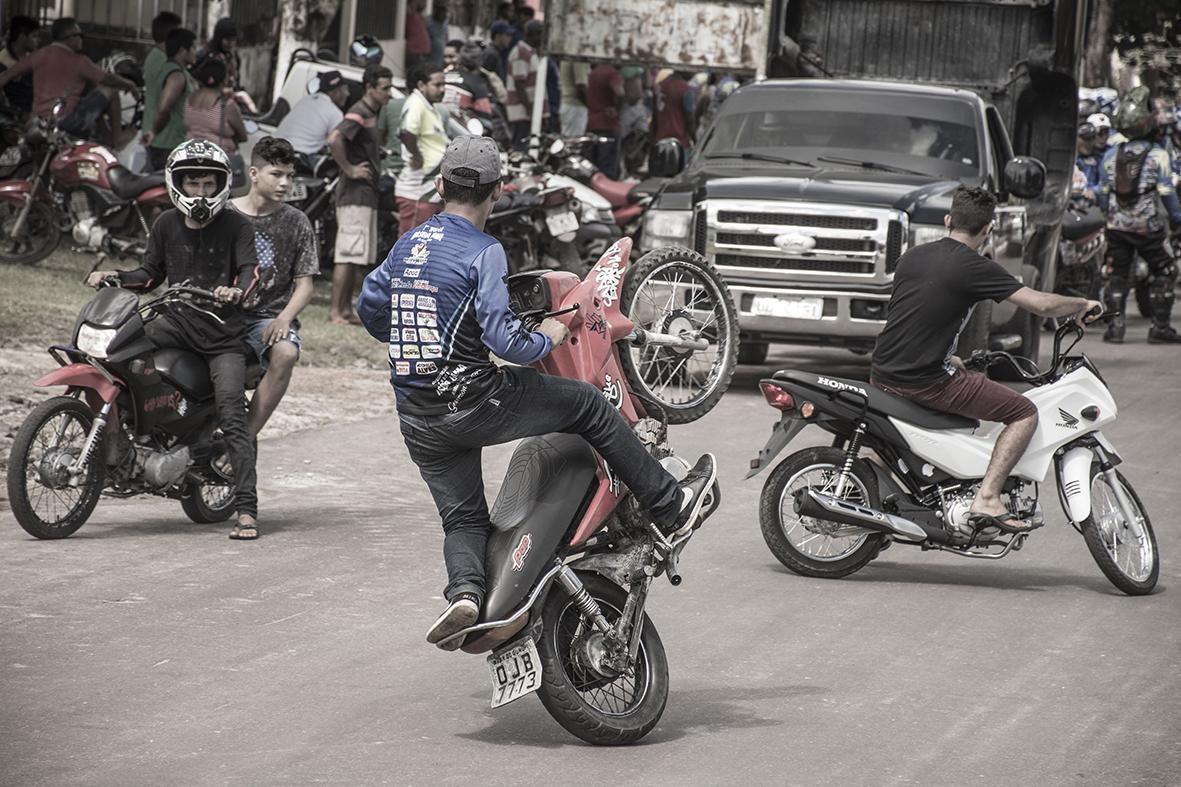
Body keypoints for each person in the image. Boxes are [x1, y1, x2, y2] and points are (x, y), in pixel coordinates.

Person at [355, 136, 718, 646]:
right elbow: (509, 343)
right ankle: (668, 504)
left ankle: (464, 592)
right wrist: (545, 334)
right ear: (498, 191)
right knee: (587, 405)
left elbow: (370, 310)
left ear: (439, 186)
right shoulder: (484, 250)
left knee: (462, 516)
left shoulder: (408, 242)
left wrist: (418, 336)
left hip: (417, 417)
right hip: (474, 401)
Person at [870, 187, 1101, 533]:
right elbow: (1041, 305)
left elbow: (918, 316)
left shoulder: (913, 256)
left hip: (884, 372)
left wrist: (950, 358)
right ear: (988, 229)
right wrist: (1082, 304)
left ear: (948, 220)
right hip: (925, 382)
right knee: (1023, 412)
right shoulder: (974, 266)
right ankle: (988, 497)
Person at [86, 139, 261, 539]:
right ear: (177, 183)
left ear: (221, 187)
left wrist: (235, 292)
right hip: (175, 323)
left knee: (233, 414)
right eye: (193, 183)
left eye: (209, 184)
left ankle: (247, 509)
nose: (201, 192)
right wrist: (114, 275)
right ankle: (133, 437)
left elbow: (251, 275)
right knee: (115, 351)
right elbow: (150, 274)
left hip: (221, 338)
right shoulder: (166, 223)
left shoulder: (237, 225)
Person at [230, 137, 319, 438]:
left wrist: (284, 318)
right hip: (222, 314)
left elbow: (305, 286)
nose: (284, 183)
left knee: (286, 353)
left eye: (289, 176)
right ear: (254, 174)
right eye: (276, 174)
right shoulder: (225, 214)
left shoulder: (296, 222)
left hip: (267, 319)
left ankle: (246, 437)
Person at [1098, 86, 1181, 344]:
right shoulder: (1158, 156)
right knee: (1166, 271)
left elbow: (1102, 194)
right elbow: (1167, 193)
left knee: (1118, 275)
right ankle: (1159, 327)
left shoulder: (1111, 155)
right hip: (1148, 229)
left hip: (1116, 227)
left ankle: (1115, 328)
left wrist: (1112, 216)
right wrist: (1177, 219)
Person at [0, 17, 139, 146]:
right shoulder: (79, 61)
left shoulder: (38, 55)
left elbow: (6, 75)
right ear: (69, 37)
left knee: (93, 97)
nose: (82, 40)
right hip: (66, 122)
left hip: (38, 123)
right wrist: (129, 84)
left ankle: (108, 138)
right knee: (110, 91)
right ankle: (118, 138)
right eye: (80, 36)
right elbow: (109, 79)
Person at [327, 63, 393, 325]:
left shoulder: (371, 113)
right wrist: (350, 169)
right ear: (370, 88)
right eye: (385, 88)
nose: (389, 93)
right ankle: (335, 311)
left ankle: (344, 310)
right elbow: (334, 139)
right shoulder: (359, 111)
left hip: (366, 194)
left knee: (355, 255)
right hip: (354, 194)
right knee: (347, 254)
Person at [395, 63, 448, 237]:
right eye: (437, 85)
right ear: (421, 85)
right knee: (411, 248)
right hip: (417, 191)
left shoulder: (429, 106)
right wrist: (416, 155)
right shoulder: (416, 103)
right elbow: (406, 131)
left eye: (443, 84)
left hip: (428, 191)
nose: (442, 89)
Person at [145, 27, 197, 171]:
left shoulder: (170, 69)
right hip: (169, 146)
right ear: (182, 50)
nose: (195, 51)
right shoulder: (176, 75)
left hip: (167, 144)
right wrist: (154, 132)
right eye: (193, 47)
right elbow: (164, 108)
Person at [184, 58, 247, 167]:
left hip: (191, 157)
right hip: (217, 162)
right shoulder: (226, 105)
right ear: (224, 79)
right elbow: (243, 136)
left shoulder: (189, 100)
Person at [275, 69, 348, 157]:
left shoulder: (304, 100)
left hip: (274, 149)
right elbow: (335, 143)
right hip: (295, 157)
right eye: (345, 90)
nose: (348, 94)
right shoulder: (335, 113)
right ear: (335, 92)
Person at [141, 12, 182, 164]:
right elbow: (165, 106)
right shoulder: (164, 62)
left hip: (161, 136)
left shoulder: (156, 57)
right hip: (165, 138)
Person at [196, 18, 257, 113]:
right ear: (219, 38)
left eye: (233, 40)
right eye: (227, 40)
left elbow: (235, 81)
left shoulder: (233, 57)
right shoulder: (206, 57)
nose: (231, 44)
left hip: (230, 106)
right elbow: (198, 85)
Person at [504, 20, 547, 149]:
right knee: (520, 149)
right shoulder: (521, 53)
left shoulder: (530, 52)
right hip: (522, 113)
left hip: (528, 113)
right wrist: (531, 110)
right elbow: (519, 84)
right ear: (533, 34)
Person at [586, 62, 624, 179]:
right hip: (608, 124)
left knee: (592, 166)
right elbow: (620, 93)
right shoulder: (611, 73)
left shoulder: (592, 73)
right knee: (607, 168)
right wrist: (617, 108)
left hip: (592, 122)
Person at [0, 15, 40, 116]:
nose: (38, 41)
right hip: (12, 118)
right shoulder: (3, 61)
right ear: (22, 37)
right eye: (34, 36)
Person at [652, 70, 695, 150]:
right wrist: (696, 141)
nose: (694, 73)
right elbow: (690, 119)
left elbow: (655, 116)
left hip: (660, 141)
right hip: (679, 142)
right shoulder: (685, 89)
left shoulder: (660, 86)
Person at [558, 58, 589, 138]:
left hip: (567, 103)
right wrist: (591, 105)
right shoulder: (579, 59)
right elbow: (581, 86)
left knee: (568, 139)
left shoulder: (568, 56)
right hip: (575, 105)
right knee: (574, 141)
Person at [1075, 122, 1102, 202]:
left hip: (1089, 201)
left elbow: (1105, 182)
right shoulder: (1065, 157)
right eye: (1085, 139)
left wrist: (1093, 190)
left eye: (1092, 138)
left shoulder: (1099, 158)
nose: (1088, 143)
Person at [404, 0, 432, 71]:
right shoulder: (410, 15)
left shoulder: (419, 16)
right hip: (415, 53)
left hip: (422, 53)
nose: (423, 2)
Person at [427, 1, 450, 68]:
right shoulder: (428, 20)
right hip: (430, 54)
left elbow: (446, 36)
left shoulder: (445, 22)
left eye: (444, 12)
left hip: (439, 55)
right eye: (441, 11)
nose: (442, 14)